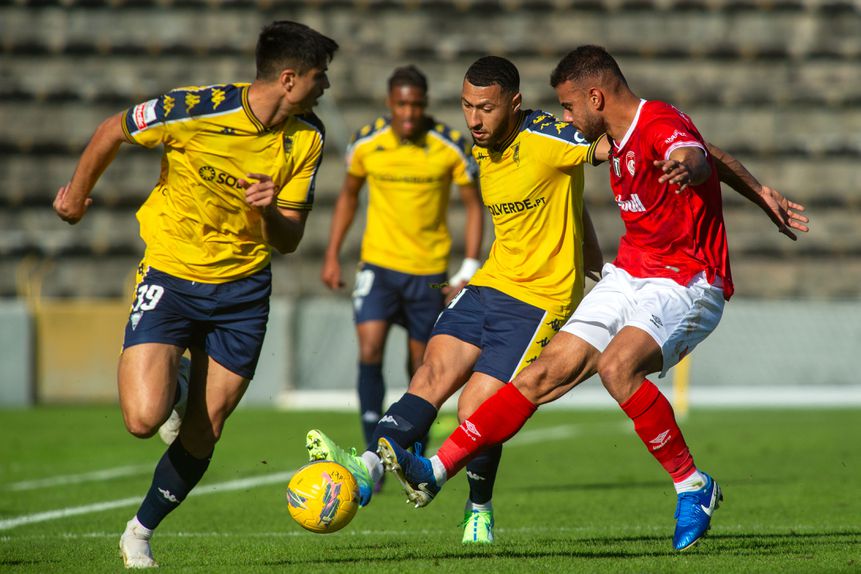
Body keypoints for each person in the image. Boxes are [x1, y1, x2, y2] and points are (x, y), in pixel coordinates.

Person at [375, 45, 810, 552]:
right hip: (628, 274)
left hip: (687, 279)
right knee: (540, 374)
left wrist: (686, 168)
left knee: (617, 368)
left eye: (567, 106)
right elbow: (711, 150)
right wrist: (759, 192)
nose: (563, 116)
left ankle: (694, 486)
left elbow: (690, 153)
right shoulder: (614, 137)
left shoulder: (657, 124)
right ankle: (435, 469)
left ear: (596, 97)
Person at [52, 21, 338, 568]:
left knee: (205, 431)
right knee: (142, 420)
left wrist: (269, 210)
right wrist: (76, 198)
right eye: (319, 78)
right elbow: (113, 129)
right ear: (288, 78)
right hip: (171, 272)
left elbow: (291, 239)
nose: (325, 88)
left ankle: (139, 532)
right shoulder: (196, 108)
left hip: (243, 291)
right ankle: (179, 379)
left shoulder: (309, 138)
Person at [306, 55, 607, 544]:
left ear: (514, 103)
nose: (473, 119)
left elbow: (609, 147)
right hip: (490, 283)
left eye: (485, 108)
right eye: (467, 106)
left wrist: (672, 146)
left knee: (474, 411)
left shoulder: (551, 137)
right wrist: (588, 247)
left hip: (539, 299)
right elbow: (565, 196)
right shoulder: (483, 143)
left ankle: (479, 506)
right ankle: (364, 469)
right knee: (430, 372)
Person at [319, 65, 484, 471]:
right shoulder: (366, 143)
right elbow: (348, 197)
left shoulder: (448, 146)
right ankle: (371, 448)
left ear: (424, 104)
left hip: (428, 274)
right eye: (401, 105)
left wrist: (467, 266)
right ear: (390, 104)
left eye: (415, 104)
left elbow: (473, 205)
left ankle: (409, 445)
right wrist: (332, 253)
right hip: (378, 266)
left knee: (420, 365)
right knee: (370, 349)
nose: (408, 113)